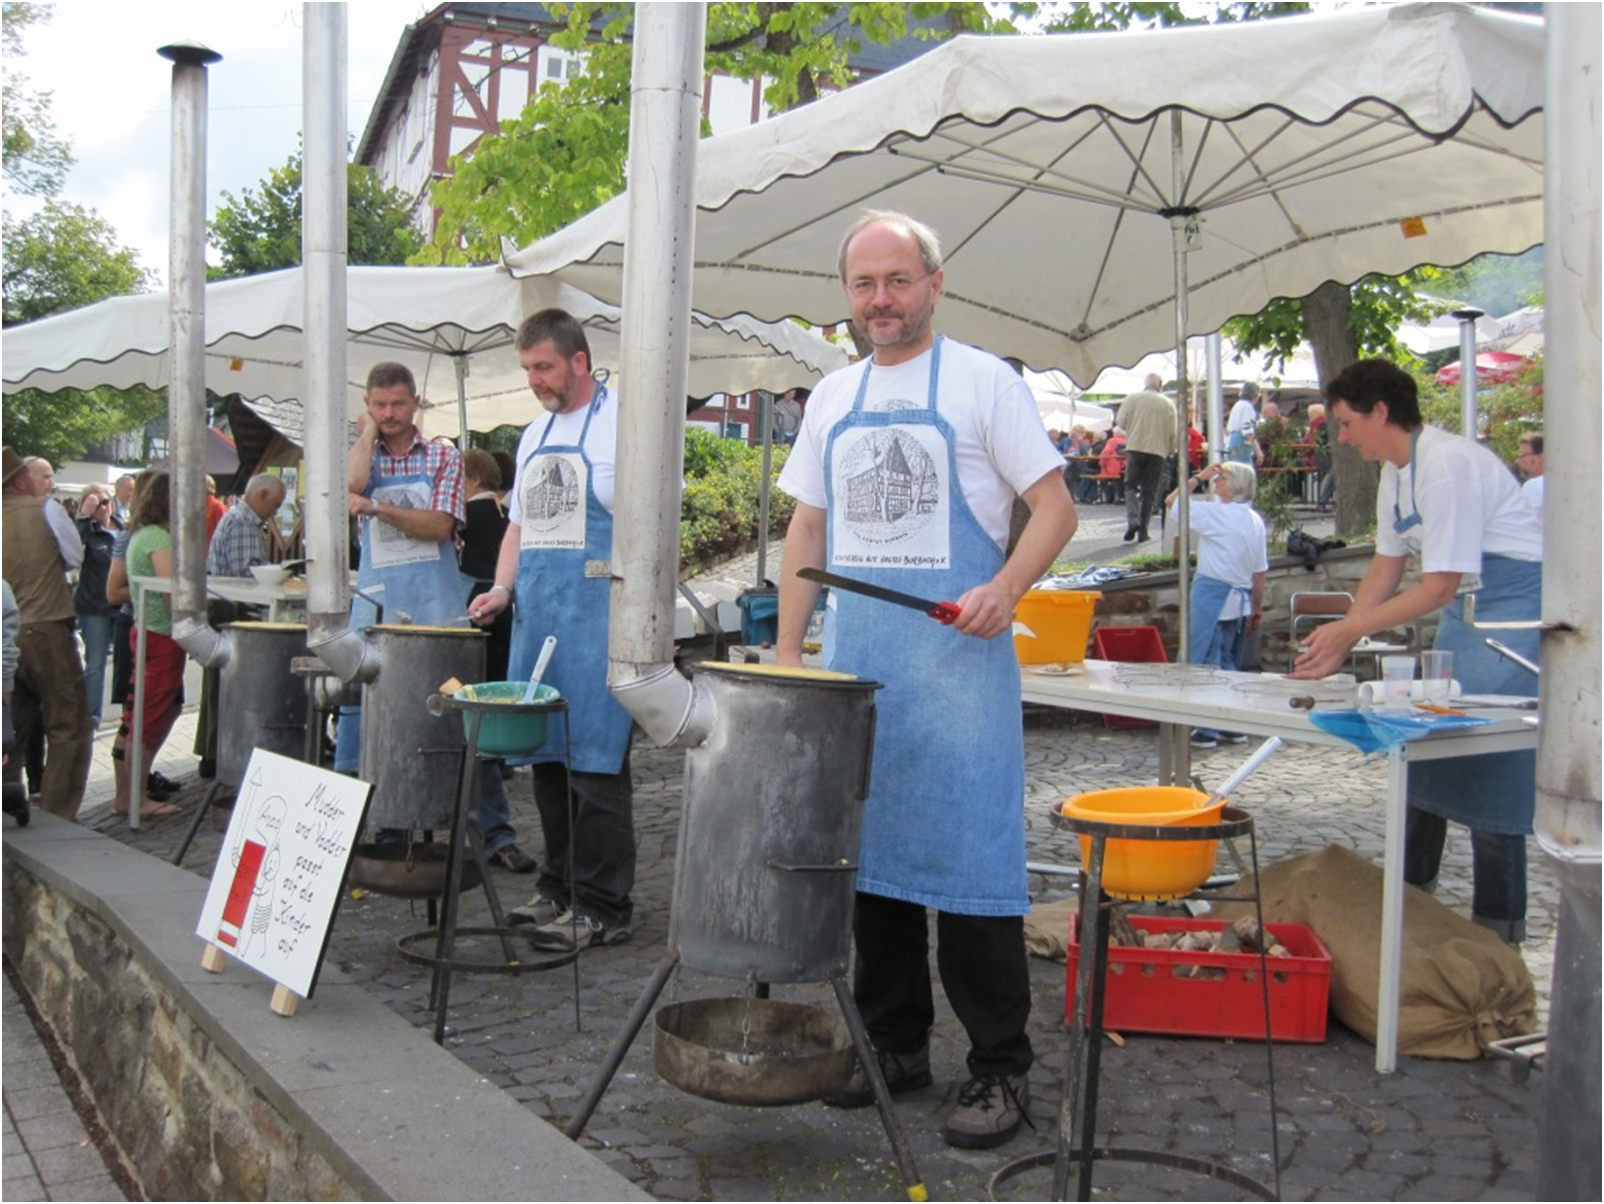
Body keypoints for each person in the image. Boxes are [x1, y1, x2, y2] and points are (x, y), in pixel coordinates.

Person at [774, 210, 1077, 1150]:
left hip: (959, 669)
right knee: (877, 866)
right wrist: (790, 660)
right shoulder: (833, 397)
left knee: (973, 866)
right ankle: (895, 1046)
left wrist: (1005, 587)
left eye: (896, 281)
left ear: (934, 284)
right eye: (863, 284)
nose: (880, 301)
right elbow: (810, 535)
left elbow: (1055, 510)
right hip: (863, 671)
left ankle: (1000, 1067)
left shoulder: (985, 383)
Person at [1292, 359, 1541, 944]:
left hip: (1513, 615)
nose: (1344, 437)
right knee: (1423, 751)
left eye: (1348, 423)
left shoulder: (1447, 465)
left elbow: (1438, 586)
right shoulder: (1395, 471)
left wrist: (1349, 632)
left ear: (1381, 412)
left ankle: (1498, 935)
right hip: (1469, 616)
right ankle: (1404, 915)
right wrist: (1338, 638)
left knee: (1491, 765)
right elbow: (1386, 567)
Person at [468, 309, 639, 947]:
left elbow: (651, 521)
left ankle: (603, 907)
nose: (535, 380)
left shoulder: (625, 424)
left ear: (579, 361)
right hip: (539, 615)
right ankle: (558, 887)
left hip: (597, 618)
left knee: (594, 767)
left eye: (543, 366)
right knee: (546, 760)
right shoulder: (535, 433)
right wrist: (501, 588)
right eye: (528, 369)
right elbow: (519, 526)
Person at [340, 364, 532, 872]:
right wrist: (364, 434)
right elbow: (350, 485)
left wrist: (376, 508)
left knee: (467, 720)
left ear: (416, 403)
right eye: (378, 405)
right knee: (360, 716)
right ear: (367, 404)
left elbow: (439, 525)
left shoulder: (443, 456)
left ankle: (494, 834)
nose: (388, 415)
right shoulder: (362, 453)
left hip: (438, 610)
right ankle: (351, 828)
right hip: (378, 610)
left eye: (397, 404)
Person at [1, 447, 92, 819]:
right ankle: (58, 813)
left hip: (6, 632)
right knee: (68, 722)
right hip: (47, 627)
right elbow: (74, 557)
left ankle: (9, 799)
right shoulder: (45, 509)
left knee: (12, 725)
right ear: (21, 480)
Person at [1166, 461, 1266, 748]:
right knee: (1224, 660)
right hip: (1240, 597)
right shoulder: (1254, 520)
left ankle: (1210, 726)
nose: (1216, 483)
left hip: (1213, 595)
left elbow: (1171, 502)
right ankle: (1230, 724)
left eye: (1220, 479)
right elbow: (1260, 572)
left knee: (1205, 661)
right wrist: (1257, 607)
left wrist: (1197, 477)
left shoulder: (1219, 514)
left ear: (1232, 485)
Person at [196, 473, 288, 778]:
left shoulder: (238, 517)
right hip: (229, 609)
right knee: (229, 687)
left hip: (222, 606)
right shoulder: (244, 522)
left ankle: (214, 753)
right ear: (260, 495)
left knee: (218, 688)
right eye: (274, 505)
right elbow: (246, 574)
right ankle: (221, 754)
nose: (274, 512)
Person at [105, 472, 184, 818]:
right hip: (159, 635)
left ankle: (132, 796)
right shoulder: (156, 537)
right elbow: (171, 594)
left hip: (146, 631)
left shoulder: (139, 534)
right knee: (146, 719)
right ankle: (137, 799)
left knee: (141, 715)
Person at [74, 484, 120, 731]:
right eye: (98, 503)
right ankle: (91, 719)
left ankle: (127, 717)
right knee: (96, 664)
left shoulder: (122, 526)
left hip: (121, 605)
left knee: (125, 663)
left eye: (107, 501)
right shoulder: (86, 531)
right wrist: (83, 517)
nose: (104, 507)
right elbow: (70, 551)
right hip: (95, 606)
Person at [1116, 372, 1177, 543]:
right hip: (1158, 451)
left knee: (1130, 486)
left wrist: (1134, 426)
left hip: (1136, 446)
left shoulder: (1133, 398)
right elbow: (1173, 432)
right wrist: (1170, 451)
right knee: (1149, 492)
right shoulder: (1168, 403)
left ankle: (1133, 520)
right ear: (1160, 385)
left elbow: (1120, 421)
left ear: (1145, 384)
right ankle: (1143, 529)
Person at [1226, 381, 1262, 465]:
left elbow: (1228, 429)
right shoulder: (1247, 407)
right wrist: (1258, 451)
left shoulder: (1237, 405)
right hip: (1241, 443)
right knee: (1244, 472)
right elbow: (1248, 432)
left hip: (1232, 441)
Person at [1516, 432, 1544, 518]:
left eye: (1523, 455)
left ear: (1540, 458)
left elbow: (1526, 524)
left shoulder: (1533, 486)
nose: (1518, 461)